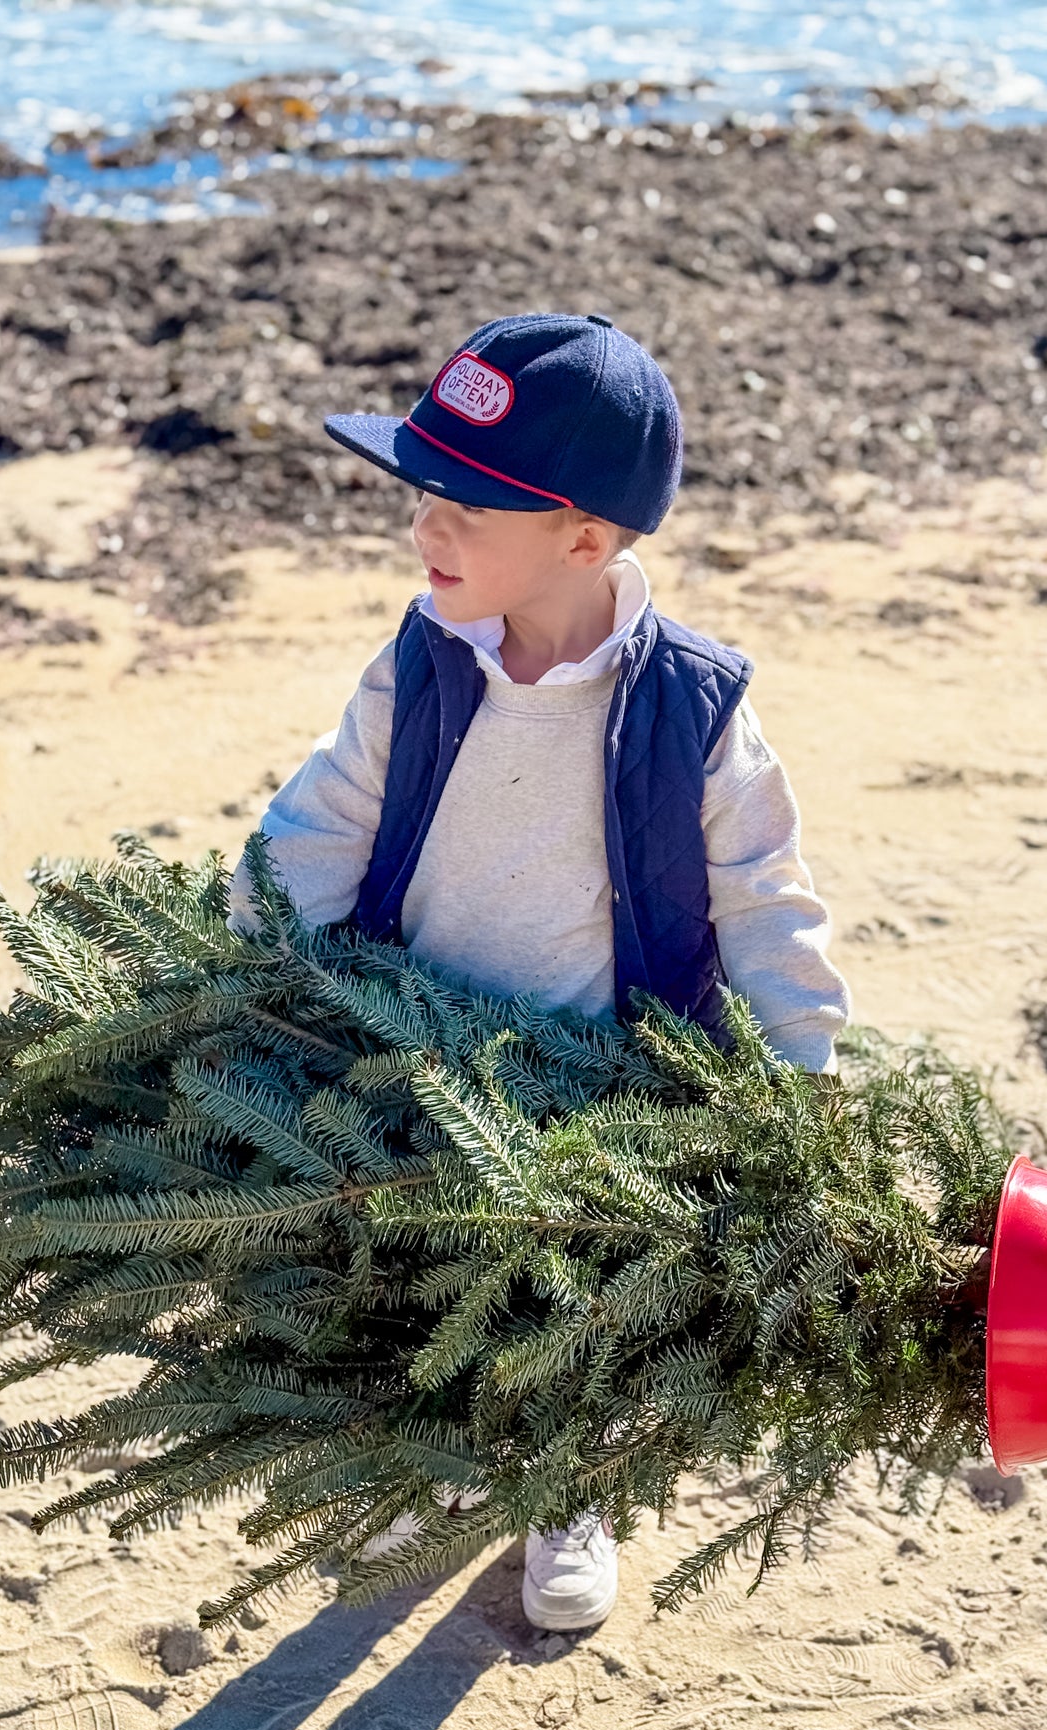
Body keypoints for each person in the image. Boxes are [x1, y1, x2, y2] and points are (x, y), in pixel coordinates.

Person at [230, 311, 849, 1633]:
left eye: (464, 504)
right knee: (404, 1276)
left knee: (579, 1302)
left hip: (603, 1071)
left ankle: (569, 1491)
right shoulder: (421, 663)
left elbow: (763, 900)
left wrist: (805, 1087)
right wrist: (247, 972)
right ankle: (430, 1464)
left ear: (582, 536)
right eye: (421, 494)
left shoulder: (693, 705)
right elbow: (327, 817)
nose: (425, 532)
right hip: (417, 1039)